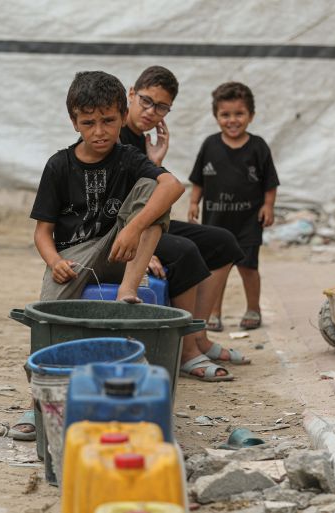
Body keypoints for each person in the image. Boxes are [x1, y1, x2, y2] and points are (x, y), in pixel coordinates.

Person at [121, 65, 249, 382]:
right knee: (184, 251)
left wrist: (155, 162)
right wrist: (144, 249)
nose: (151, 112)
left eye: (161, 107)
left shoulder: (142, 140)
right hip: (121, 229)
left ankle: (199, 335)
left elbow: (147, 197)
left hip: (145, 223)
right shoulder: (113, 132)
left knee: (223, 242)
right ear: (131, 94)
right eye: (146, 101)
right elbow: (115, 204)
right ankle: (187, 350)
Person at [31, 70, 184, 303]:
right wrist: (55, 262)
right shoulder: (58, 165)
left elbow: (173, 186)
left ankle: (127, 290)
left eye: (108, 121)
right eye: (88, 123)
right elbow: (42, 232)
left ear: (123, 117)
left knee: (155, 186)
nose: (99, 132)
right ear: (74, 123)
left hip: (119, 252)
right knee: (49, 314)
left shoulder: (129, 157)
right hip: (75, 258)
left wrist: (133, 229)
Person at [188, 82, 280, 330]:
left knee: (248, 268)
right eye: (225, 114)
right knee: (216, 270)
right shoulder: (210, 145)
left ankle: (253, 309)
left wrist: (268, 206)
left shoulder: (258, 147)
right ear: (216, 116)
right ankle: (213, 313)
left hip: (248, 223)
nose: (232, 120)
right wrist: (194, 202)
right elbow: (198, 180)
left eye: (239, 114)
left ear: (251, 115)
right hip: (215, 224)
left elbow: (270, 182)